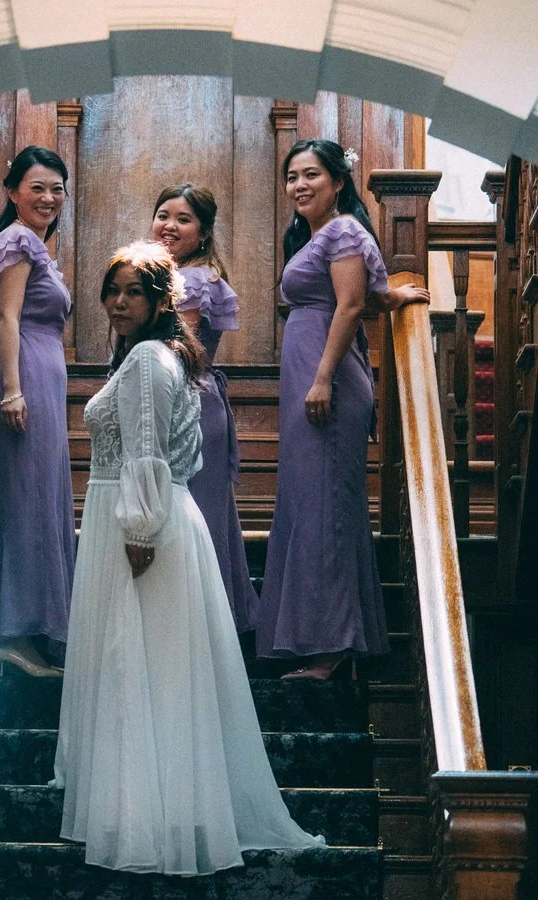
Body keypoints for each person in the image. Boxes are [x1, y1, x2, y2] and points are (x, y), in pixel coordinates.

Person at [51, 241, 323, 875]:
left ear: (158, 301)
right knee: (141, 671)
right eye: (111, 291)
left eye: (133, 292)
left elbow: (151, 451)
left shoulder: (149, 359)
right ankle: (140, 809)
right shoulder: (152, 355)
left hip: (142, 526)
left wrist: (141, 531)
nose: (119, 302)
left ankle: (149, 823)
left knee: (142, 669)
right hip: (137, 517)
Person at [255, 139, 429, 680]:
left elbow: (352, 303)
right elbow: (367, 294)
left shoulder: (345, 230)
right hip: (308, 371)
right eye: (292, 177)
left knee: (327, 505)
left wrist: (323, 377)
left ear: (338, 182)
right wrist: (393, 296)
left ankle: (332, 647)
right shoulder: (318, 237)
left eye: (311, 175)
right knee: (311, 501)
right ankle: (323, 639)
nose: (300, 185)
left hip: (326, 376)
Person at [0, 146, 75, 678]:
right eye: (37, 187)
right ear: (12, 191)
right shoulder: (16, 239)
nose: (49, 197)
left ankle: (9, 633)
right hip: (25, 377)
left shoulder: (34, 245)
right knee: (29, 505)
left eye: (57, 188)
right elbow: (7, 319)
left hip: (40, 377)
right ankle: (18, 634)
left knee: (32, 501)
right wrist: (12, 389)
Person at [151, 184, 257, 634]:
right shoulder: (162, 275)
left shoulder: (192, 280)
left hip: (187, 404)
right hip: (185, 400)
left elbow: (181, 352)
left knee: (193, 516)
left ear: (204, 231)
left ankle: (196, 628)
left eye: (183, 219)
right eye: (162, 215)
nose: (169, 226)